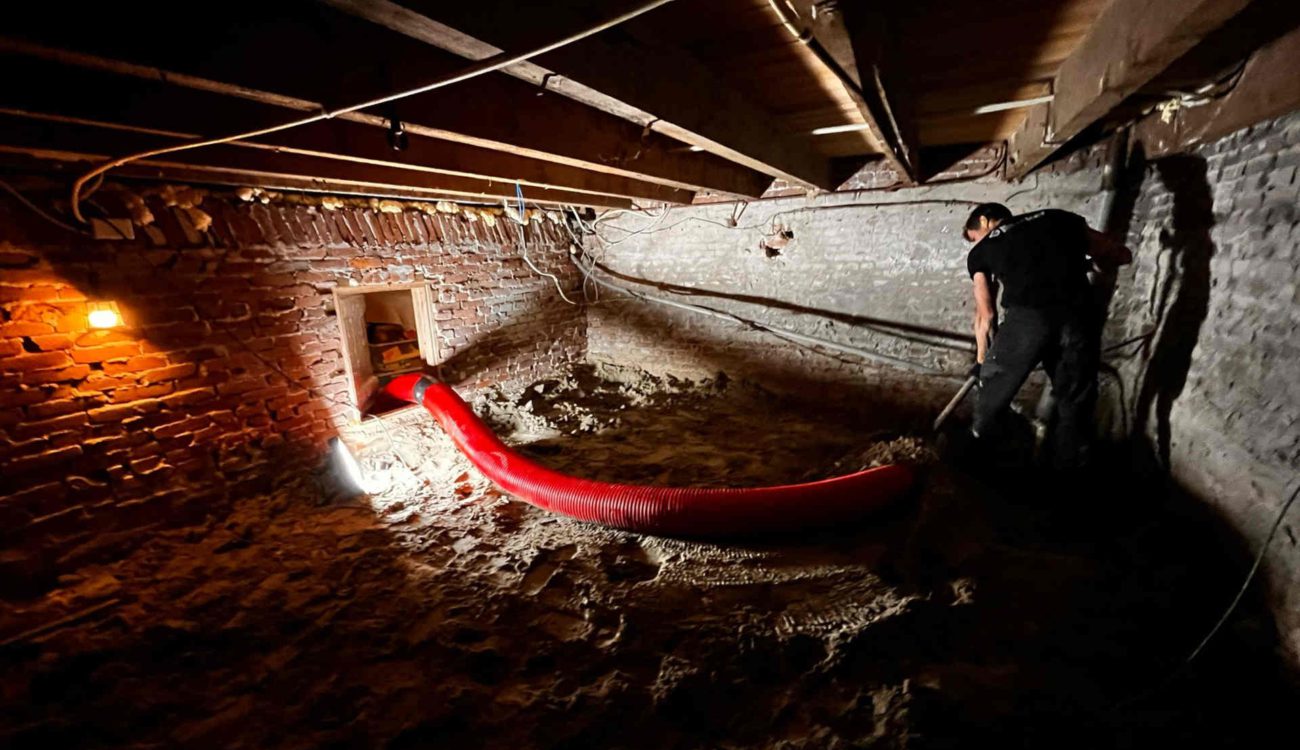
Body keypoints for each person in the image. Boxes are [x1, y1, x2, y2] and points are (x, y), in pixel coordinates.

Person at [961, 203, 1132, 469]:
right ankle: (1069, 473)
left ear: (984, 221)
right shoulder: (1058, 217)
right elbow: (1119, 254)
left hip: (1028, 318)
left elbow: (987, 315)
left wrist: (983, 362)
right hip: (1079, 315)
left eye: (974, 237)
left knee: (992, 392)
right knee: (1074, 398)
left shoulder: (982, 251)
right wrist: (1088, 265)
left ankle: (978, 461)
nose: (977, 242)